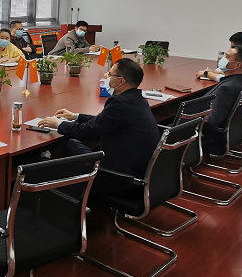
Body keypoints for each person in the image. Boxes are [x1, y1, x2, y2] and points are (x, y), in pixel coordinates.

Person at [38, 58, 159, 195]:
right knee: (77, 144)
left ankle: (72, 194)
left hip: (118, 179)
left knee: (70, 145)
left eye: (110, 75)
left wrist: (58, 124)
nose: (107, 78)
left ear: (120, 81)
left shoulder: (119, 103)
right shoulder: (138, 100)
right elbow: (103, 121)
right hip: (139, 174)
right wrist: (76, 116)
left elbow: (88, 131)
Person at [201, 46, 242, 156]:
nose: (223, 59)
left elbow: (211, 122)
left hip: (210, 139)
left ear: (237, 65)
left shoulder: (226, 89)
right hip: (229, 134)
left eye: (227, 57)